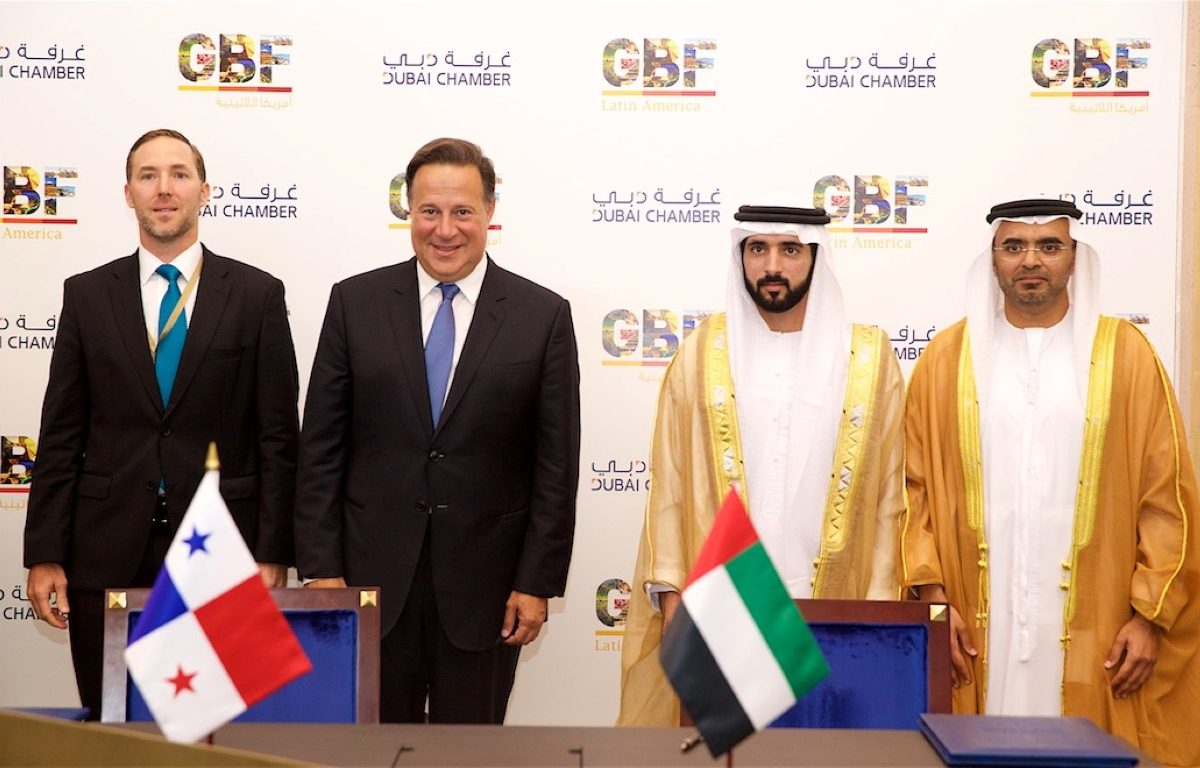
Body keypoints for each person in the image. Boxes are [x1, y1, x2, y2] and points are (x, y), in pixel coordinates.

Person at [902, 198, 1200, 766]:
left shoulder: (1127, 356)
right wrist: (935, 603)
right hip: (977, 622)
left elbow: (1167, 498)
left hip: (1099, 618)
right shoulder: (946, 359)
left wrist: (1149, 618)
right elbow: (912, 494)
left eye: (1049, 246)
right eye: (1013, 246)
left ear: (1073, 259)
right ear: (993, 260)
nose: (1030, 260)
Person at [294, 137, 580, 724]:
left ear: (489, 213)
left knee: (470, 757)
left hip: (488, 593)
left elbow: (556, 466)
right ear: (408, 211)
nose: (445, 229)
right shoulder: (355, 303)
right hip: (370, 586)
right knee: (371, 758)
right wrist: (321, 569)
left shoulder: (542, 316)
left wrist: (536, 582)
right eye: (429, 211)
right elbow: (320, 448)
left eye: (462, 212)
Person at [23, 128, 300, 720]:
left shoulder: (257, 295)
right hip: (103, 553)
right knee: (113, 730)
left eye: (179, 174)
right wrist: (45, 552)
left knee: (213, 733)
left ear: (205, 189)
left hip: (222, 553)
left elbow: (278, 437)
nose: (164, 189)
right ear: (128, 194)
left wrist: (274, 550)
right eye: (148, 176)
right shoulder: (88, 295)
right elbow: (62, 434)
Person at [618, 204, 904, 726]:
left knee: (826, 751)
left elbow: (889, 497)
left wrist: (880, 611)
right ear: (741, 257)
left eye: (789, 250)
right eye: (758, 249)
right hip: (726, 597)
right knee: (726, 752)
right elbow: (671, 483)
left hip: (834, 601)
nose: (772, 265)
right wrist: (672, 594)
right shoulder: (702, 351)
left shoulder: (867, 356)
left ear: (816, 257)